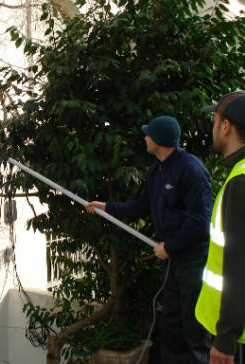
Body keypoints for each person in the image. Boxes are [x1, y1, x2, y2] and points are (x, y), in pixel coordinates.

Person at [85, 116, 212, 363]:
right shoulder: (156, 170)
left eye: (148, 134)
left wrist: (171, 247)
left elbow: (199, 221)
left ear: (159, 140)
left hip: (192, 260)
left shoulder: (191, 169)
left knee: (194, 325)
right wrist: (107, 207)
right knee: (172, 324)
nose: (144, 137)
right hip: (171, 260)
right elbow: (142, 206)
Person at [196, 91, 245, 364]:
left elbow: (239, 266)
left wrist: (225, 341)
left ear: (225, 126)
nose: (212, 128)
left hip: (237, 337)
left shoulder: (240, 182)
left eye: (214, 120)